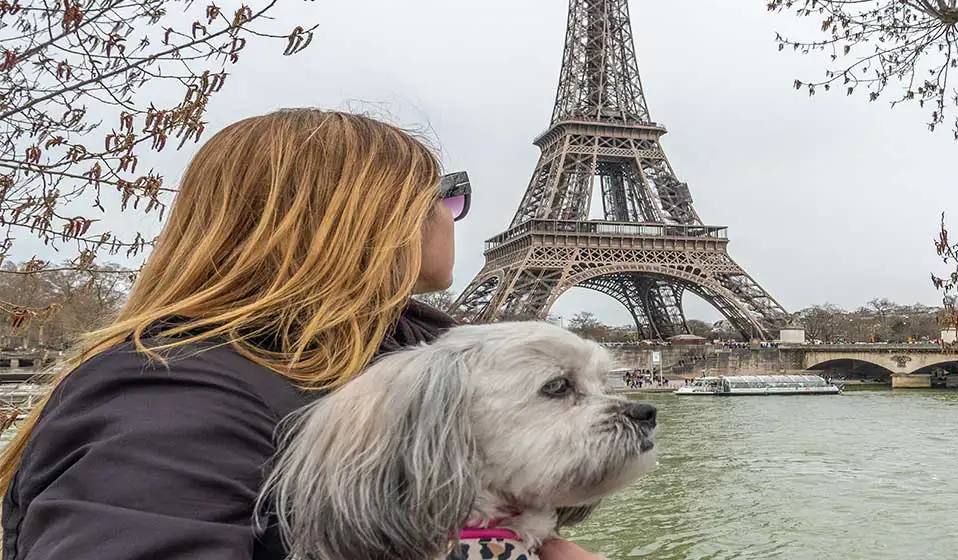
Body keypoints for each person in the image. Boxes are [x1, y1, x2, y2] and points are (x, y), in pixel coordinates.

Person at [0, 109, 602, 560]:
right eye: (446, 194)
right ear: (368, 214)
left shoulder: (402, 363)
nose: (452, 213)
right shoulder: (170, 389)